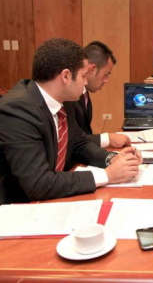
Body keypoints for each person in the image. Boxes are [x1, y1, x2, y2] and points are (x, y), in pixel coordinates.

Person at [0, 38, 141, 205]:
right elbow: (38, 184)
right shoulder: (18, 110)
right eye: (83, 76)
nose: (86, 82)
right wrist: (107, 175)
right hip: (20, 210)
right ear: (66, 76)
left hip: (52, 198)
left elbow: (78, 143)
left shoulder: (61, 101)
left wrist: (112, 158)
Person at [65, 41, 129, 148]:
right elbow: (73, 140)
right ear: (92, 69)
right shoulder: (69, 96)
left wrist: (110, 158)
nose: (106, 80)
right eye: (106, 74)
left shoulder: (85, 93)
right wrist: (106, 139)